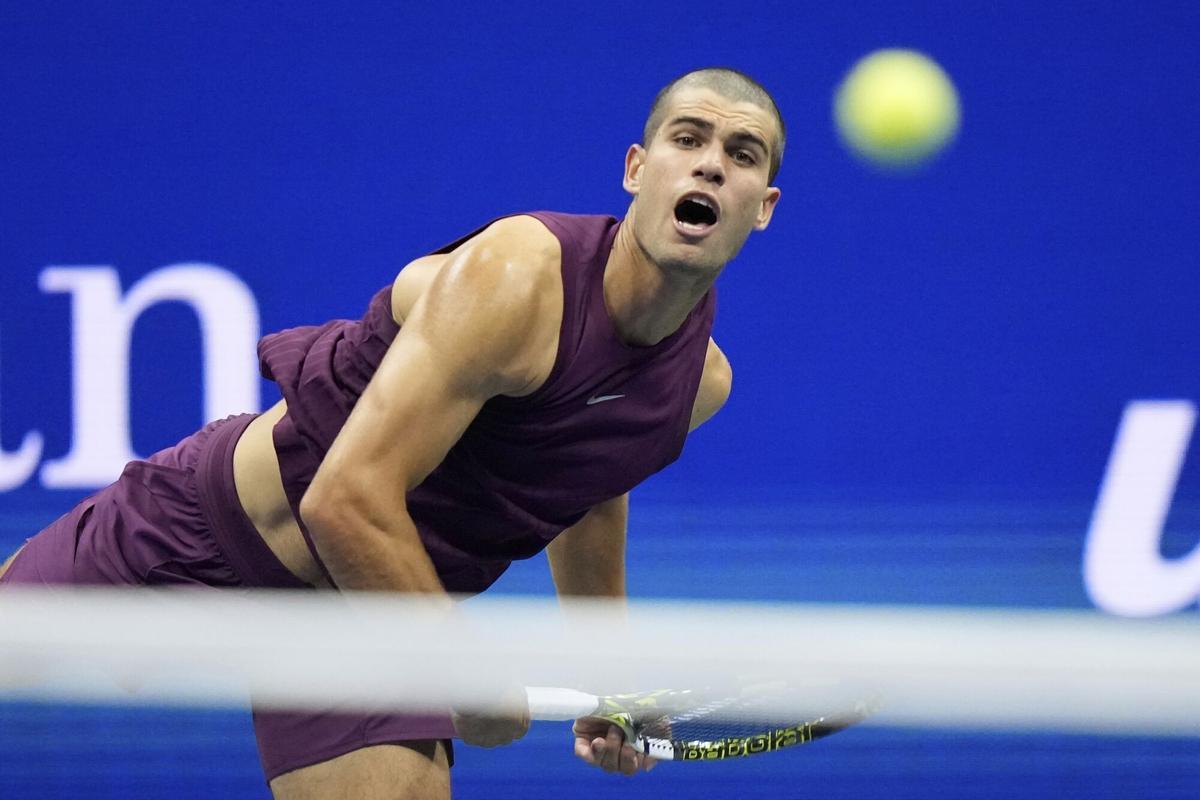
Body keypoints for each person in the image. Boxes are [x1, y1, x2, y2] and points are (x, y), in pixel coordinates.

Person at [0, 66, 784, 799]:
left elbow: (586, 487)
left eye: (740, 154)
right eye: (688, 139)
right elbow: (344, 498)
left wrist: (615, 681)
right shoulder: (519, 277)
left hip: (368, 621)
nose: (710, 165)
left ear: (763, 206)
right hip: (210, 528)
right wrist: (460, 675)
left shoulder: (697, 387)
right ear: (636, 169)